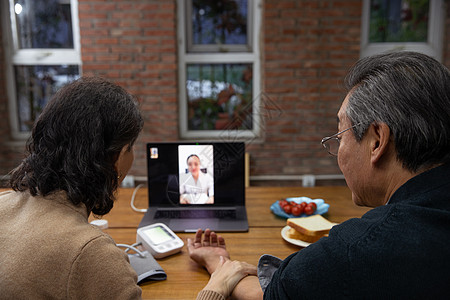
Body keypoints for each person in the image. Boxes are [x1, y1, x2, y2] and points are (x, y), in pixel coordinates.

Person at [188, 51, 450, 299]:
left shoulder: (357, 250)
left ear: (377, 141)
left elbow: (272, 293)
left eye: (340, 135)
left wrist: (217, 263)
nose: (337, 151)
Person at [0, 76, 253, 300]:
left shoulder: (3, 205)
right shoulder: (92, 255)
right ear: (114, 158)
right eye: (130, 148)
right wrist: (218, 284)